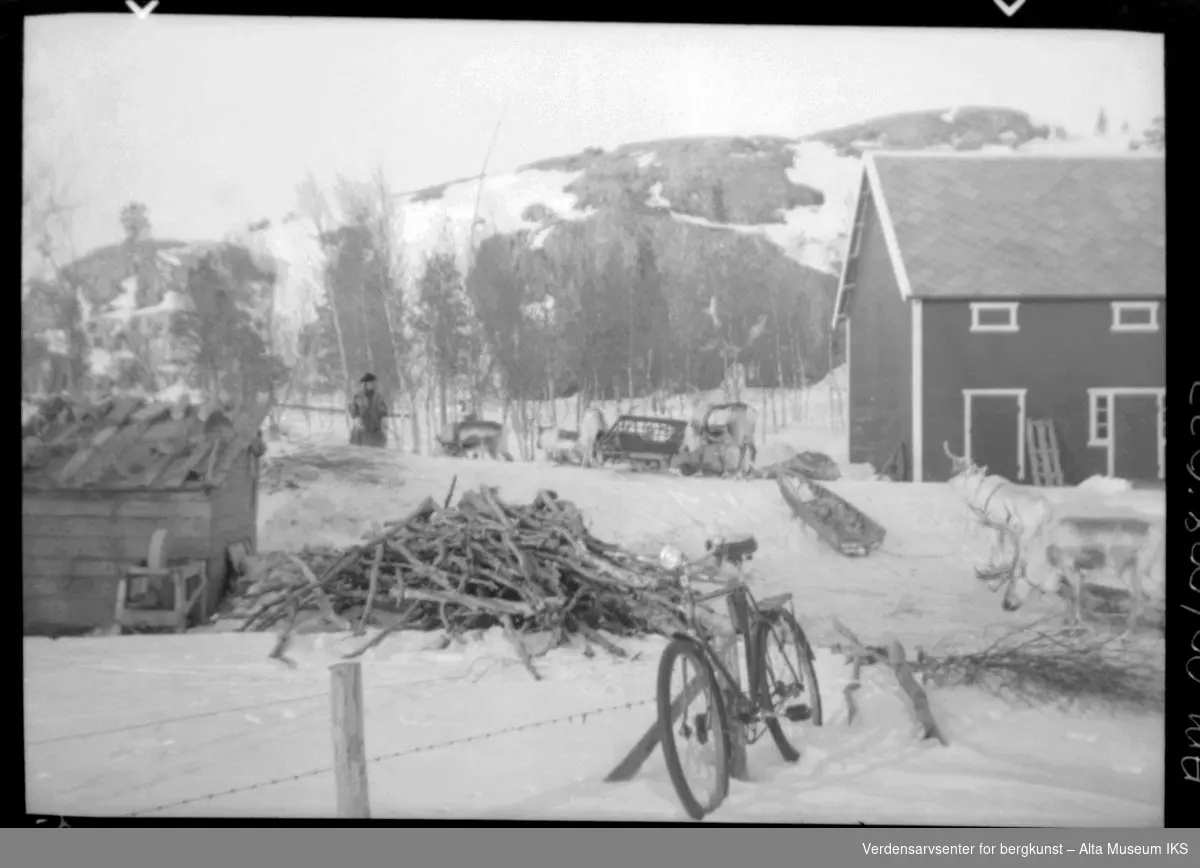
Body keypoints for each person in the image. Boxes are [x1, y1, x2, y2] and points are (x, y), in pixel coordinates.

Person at [348, 372, 388, 448]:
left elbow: (383, 409)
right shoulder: (358, 395)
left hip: (376, 430)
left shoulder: (378, 396)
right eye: (371, 383)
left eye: (374, 383)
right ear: (366, 383)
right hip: (361, 430)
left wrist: (384, 418)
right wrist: (356, 417)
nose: (373, 385)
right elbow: (353, 407)